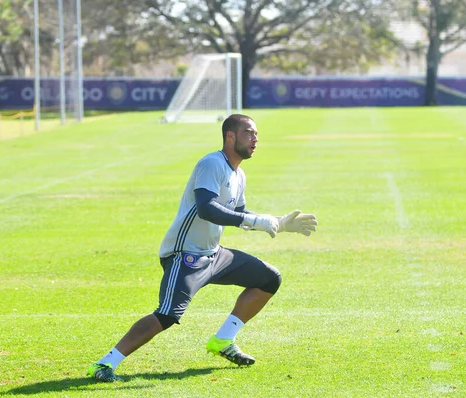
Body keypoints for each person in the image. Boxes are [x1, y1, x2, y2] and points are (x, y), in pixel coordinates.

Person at [87, 114, 317, 382]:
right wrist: (254, 221)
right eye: (248, 133)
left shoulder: (238, 174)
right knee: (167, 315)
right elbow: (207, 208)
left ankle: (223, 340)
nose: (255, 139)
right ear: (230, 137)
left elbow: (237, 212)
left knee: (268, 278)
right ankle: (104, 364)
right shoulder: (212, 163)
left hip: (214, 254)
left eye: (256, 134)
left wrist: (277, 222)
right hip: (185, 254)